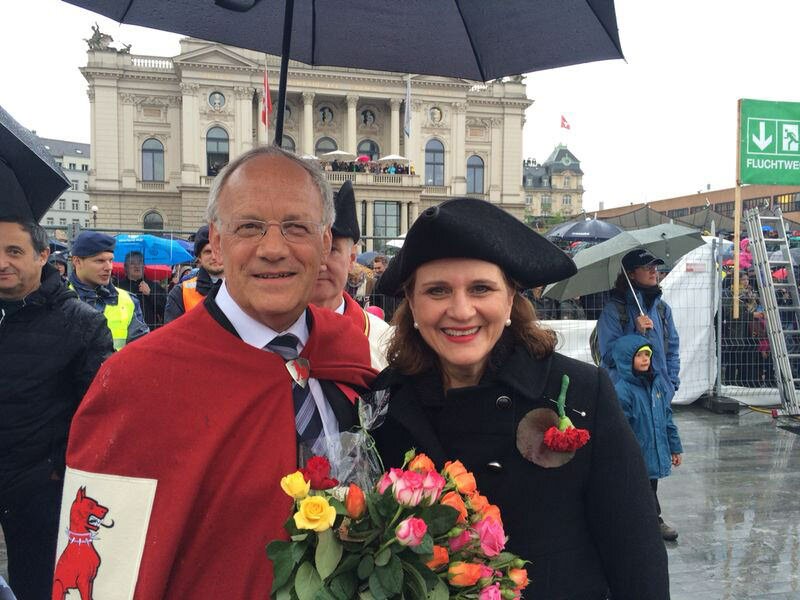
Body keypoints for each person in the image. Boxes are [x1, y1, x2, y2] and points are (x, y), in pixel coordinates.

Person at [58, 146, 377, 598]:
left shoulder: (345, 346)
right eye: (249, 226)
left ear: (325, 243)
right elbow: (101, 577)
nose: (273, 249)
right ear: (217, 242)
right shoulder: (138, 380)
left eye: (296, 227)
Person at [370, 198, 669, 599]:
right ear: (413, 303)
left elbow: (636, 553)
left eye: (481, 288)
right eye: (437, 290)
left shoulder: (584, 392)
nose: (461, 311)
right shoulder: (383, 404)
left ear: (510, 298)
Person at [0, 215, 113, 600]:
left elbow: (98, 415)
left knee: (36, 585)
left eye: (14, 251)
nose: (2, 262)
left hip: (41, 489)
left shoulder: (81, 323)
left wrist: (58, 470)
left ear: (43, 255)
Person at [311, 180, 390, 369]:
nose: (320, 263)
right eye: (311, 248)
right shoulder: (267, 335)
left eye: (332, 249)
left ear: (352, 258)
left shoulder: (383, 341)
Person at [611, 335, 683, 541]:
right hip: (636, 453)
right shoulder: (623, 391)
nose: (645, 359)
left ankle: (647, 521)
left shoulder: (656, 385)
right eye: (639, 355)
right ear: (627, 359)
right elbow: (620, 427)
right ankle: (652, 522)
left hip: (652, 451)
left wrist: (674, 447)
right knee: (640, 489)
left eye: (647, 355)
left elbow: (666, 417)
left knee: (650, 486)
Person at [597, 248, 680, 401]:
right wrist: (637, 332)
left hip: (659, 396)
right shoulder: (613, 311)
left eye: (655, 267)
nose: (654, 271)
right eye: (647, 267)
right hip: (626, 398)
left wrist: (670, 385)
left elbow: (672, 350)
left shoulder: (663, 309)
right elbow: (609, 356)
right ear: (631, 274)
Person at [68, 231, 149, 349]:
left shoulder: (128, 300)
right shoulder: (59, 299)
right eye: (100, 261)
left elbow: (141, 350)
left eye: (110, 260)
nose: (109, 267)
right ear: (77, 261)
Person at [164, 225, 224, 323]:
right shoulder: (180, 293)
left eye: (218, 250)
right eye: (208, 252)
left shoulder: (243, 289)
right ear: (199, 257)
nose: (214, 256)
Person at [116, 250, 168, 329]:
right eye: (132, 263)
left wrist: (150, 293)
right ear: (126, 267)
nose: (137, 266)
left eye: (140, 262)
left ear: (144, 267)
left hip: (150, 331)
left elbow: (165, 310)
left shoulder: (154, 286)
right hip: (125, 330)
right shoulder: (118, 287)